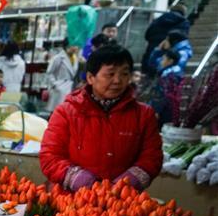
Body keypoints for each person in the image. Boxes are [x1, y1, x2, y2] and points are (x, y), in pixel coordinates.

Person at [40, 45, 162, 191]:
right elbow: (50, 157)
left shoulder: (143, 115)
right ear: (91, 78)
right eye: (110, 74)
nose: (117, 81)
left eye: (124, 74)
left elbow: (152, 157)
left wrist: (126, 184)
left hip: (122, 203)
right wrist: (80, 180)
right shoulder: (66, 112)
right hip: (71, 201)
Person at [142, 5, 190, 75]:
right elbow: (182, 38)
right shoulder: (184, 22)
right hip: (169, 55)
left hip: (152, 50)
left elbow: (147, 35)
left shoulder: (158, 20)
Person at [151, 49, 184, 125]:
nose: (161, 61)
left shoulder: (169, 76)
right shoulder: (177, 73)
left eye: (163, 59)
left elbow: (164, 94)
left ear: (170, 61)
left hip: (165, 111)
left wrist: (157, 110)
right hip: (173, 109)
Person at [44, 40, 79, 112]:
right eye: (74, 45)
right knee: (57, 113)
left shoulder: (75, 58)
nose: (76, 48)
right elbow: (49, 73)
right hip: (60, 89)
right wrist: (56, 85)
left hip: (71, 88)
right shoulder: (58, 57)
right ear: (68, 46)